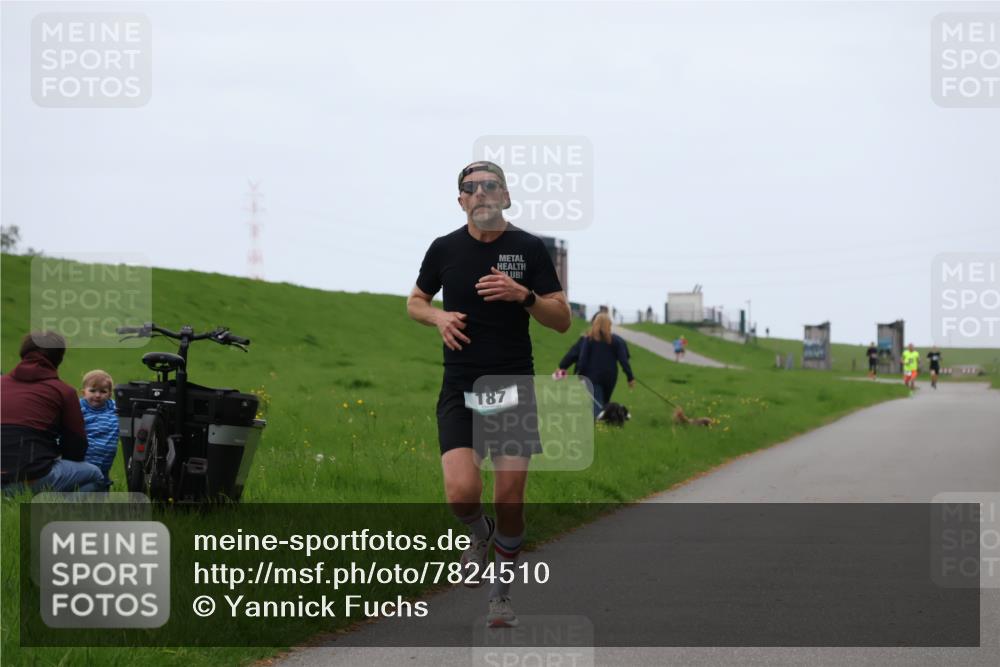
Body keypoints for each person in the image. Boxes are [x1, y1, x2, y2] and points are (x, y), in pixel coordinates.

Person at [407, 160, 570, 628]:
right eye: (471, 187)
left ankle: (500, 597)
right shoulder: (444, 249)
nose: (481, 193)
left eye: (490, 185)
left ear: (506, 197)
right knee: (461, 493)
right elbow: (414, 301)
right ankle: (479, 534)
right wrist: (437, 317)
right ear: (461, 201)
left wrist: (524, 296)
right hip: (461, 386)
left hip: (512, 385)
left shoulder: (528, 249)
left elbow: (561, 320)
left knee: (511, 499)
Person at [1, 332, 104, 495]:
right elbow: (76, 448)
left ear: (23, 353)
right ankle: (55, 515)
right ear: (58, 358)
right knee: (95, 476)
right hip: (30, 477)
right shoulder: (64, 391)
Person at [556, 311, 635, 418]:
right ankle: (613, 419)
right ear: (609, 325)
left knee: (597, 404)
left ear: (595, 323)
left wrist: (575, 371)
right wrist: (630, 377)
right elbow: (624, 360)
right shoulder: (616, 341)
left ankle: (601, 421)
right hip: (610, 377)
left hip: (592, 376)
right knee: (602, 401)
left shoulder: (588, 340)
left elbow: (579, 357)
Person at [80, 369, 119, 489]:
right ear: (83, 392)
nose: (97, 395)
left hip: (106, 463)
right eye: (92, 391)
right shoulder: (79, 408)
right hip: (85, 463)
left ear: (110, 394)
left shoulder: (114, 409)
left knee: (102, 489)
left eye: (103, 391)